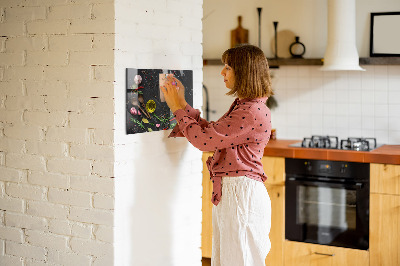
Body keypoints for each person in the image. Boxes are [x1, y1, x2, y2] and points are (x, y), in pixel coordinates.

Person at [161, 44, 273, 266]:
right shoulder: (246, 106)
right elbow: (212, 133)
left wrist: (176, 108)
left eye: (228, 67)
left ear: (244, 72)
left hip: (241, 195)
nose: (222, 72)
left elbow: (204, 141)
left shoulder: (250, 111)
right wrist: (182, 103)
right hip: (236, 193)